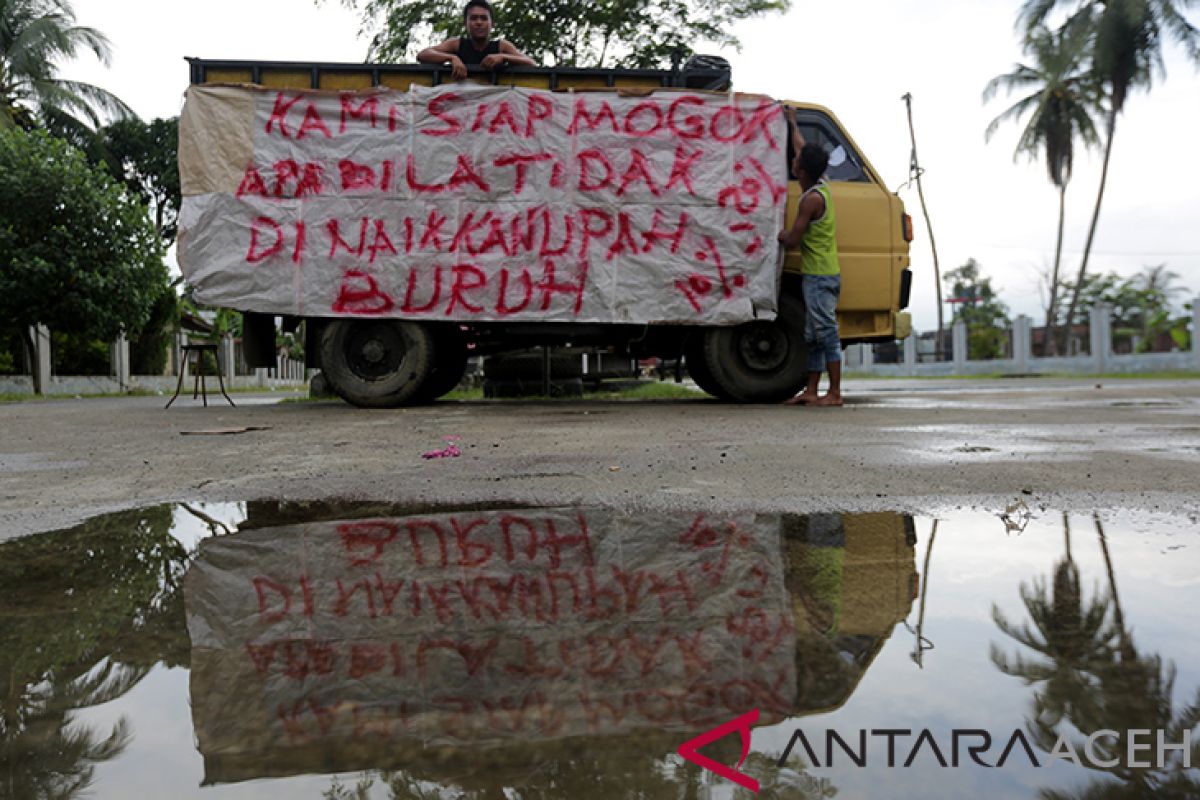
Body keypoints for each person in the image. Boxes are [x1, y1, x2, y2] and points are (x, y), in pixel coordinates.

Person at [779, 108, 843, 407]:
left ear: (800, 171)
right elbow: (802, 147)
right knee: (813, 334)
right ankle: (812, 390)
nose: (793, 160)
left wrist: (776, 234)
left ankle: (835, 393)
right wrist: (792, 123)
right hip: (820, 274)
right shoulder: (822, 185)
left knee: (826, 333)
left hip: (819, 276)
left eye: (795, 161)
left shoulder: (811, 200)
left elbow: (792, 240)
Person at [416, 0, 536, 80]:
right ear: (465, 23)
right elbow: (423, 55)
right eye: (473, 18)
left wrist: (503, 57)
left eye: (483, 18)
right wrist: (452, 58)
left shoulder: (501, 46)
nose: (479, 22)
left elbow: (531, 64)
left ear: (492, 24)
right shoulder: (457, 44)